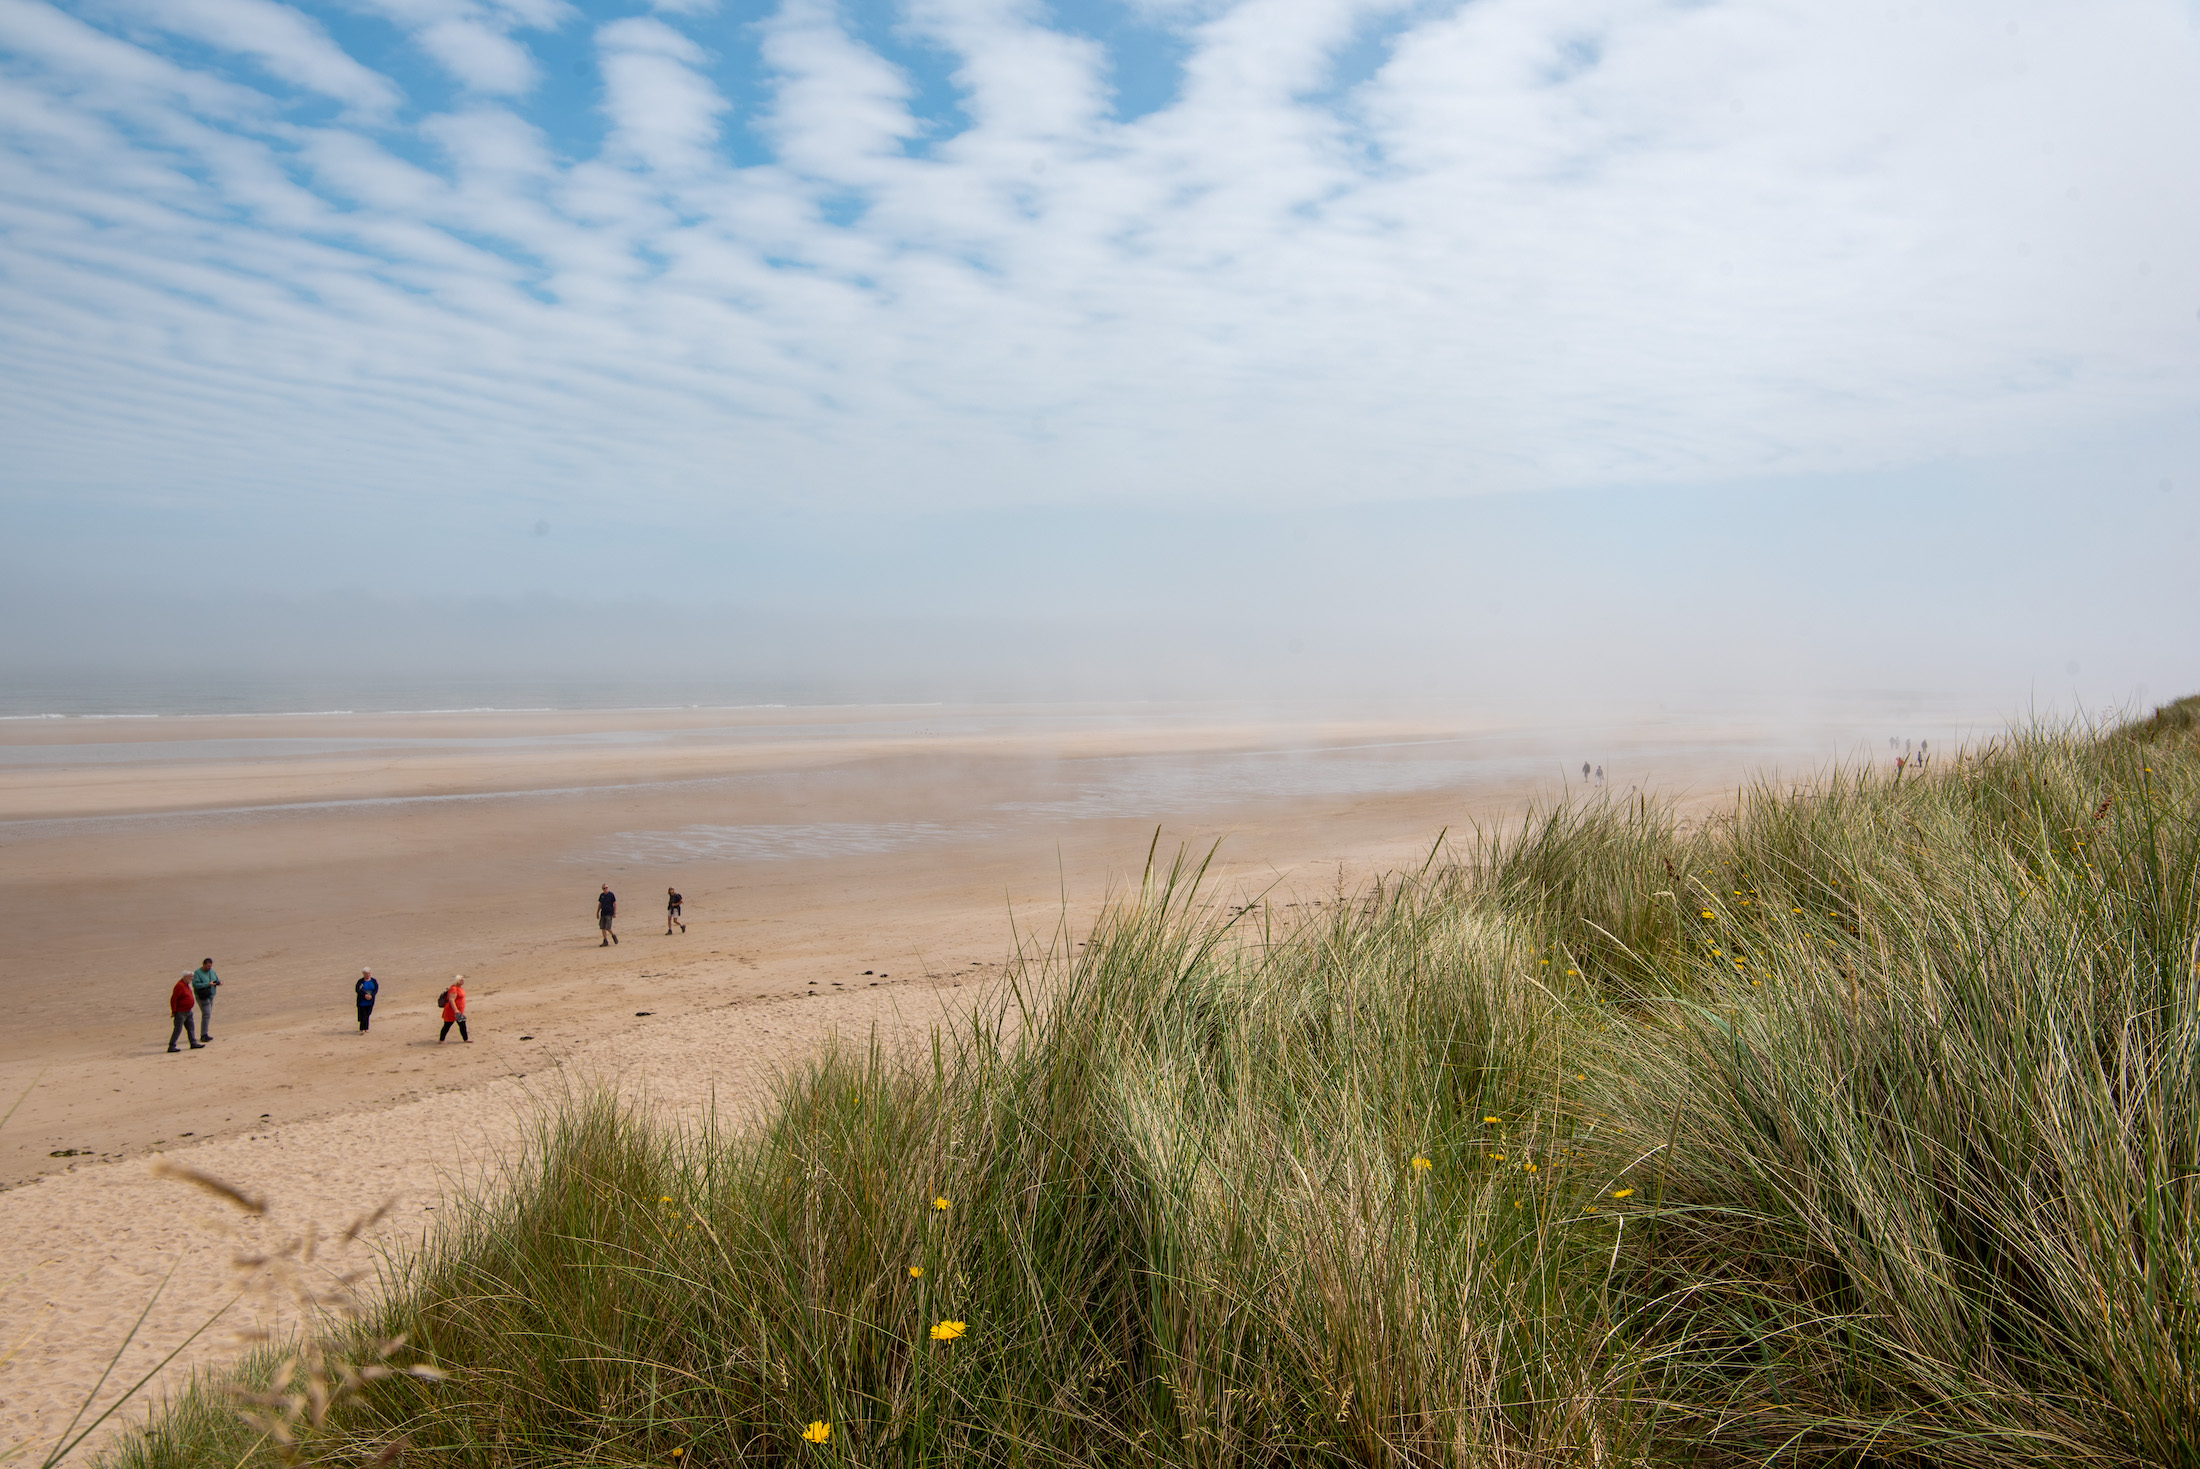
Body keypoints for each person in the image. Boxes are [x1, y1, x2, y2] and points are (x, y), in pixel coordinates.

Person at [168, 973, 202, 1052]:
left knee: (191, 1028)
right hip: (180, 1012)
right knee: (178, 1029)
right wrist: (173, 1011)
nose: (192, 979)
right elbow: (173, 999)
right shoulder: (179, 985)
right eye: (191, 977)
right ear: (185, 977)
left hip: (188, 1011)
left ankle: (193, 1043)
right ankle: (171, 1046)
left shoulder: (186, 984)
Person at [191, 958, 221, 1043]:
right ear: (203, 965)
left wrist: (219, 982)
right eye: (208, 966)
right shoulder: (197, 973)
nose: (209, 968)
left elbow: (216, 979)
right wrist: (208, 984)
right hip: (202, 996)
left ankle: (205, 1033)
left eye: (210, 966)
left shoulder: (212, 971)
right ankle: (203, 1035)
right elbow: (195, 985)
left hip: (210, 995)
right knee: (206, 1014)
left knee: (208, 1014)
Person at [438, 975, 469, 1043]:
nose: (463, 982)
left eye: (463, 980)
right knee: (447, 1025)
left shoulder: (460, 988)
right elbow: (451, 1000)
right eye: (461, 980)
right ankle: (441, 1040)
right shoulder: (454, 989)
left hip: (459, 1011)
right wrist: (456, 1010)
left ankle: (466, 1039)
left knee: (462, 1024)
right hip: (452, 1011)